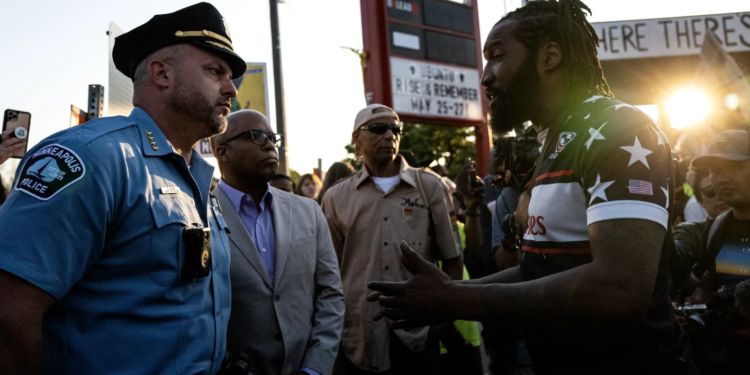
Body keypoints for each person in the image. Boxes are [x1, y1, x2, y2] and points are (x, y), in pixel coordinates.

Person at [368, 1, 696, 374]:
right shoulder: (554, 141)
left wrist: (458, 299)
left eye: (497, 56)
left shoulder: (620, 128)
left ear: (549, 56)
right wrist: (451, 292)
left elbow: (620, 287)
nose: (485, 76)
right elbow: (538, 269)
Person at [0, 3, 245, 374]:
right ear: (161, 73)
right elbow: (9, 313)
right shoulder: (92, 157)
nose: (231, 89)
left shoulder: (201, 177)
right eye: (215, 71)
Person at [321, 104, 463, 374]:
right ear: (356, 139)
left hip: (419, 335)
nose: (390, 135)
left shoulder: (430, 186)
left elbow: (453, 259)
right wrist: (335, 341)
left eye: (395, 129)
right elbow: (329, 274)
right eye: (378, 128)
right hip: (360, 338)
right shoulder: (335, 198)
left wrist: (439, 326)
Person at [210, 110, 344, 375]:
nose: (270, 144)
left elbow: (330, 293)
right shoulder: (199, 215)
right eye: (256, 136)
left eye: (273, 137)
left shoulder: (309, 212)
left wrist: (315, 367)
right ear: (222, 151)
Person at [685, 130, 750, 374]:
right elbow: (706, 288)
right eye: (715, 169)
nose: (721, 178)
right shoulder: (717, 227)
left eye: (733, 166)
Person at [670, 167, 730, 297]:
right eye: (710, 191)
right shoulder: (691, 232)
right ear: (699, 200)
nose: (719, 196)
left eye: (725, 188)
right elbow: (675, 262)